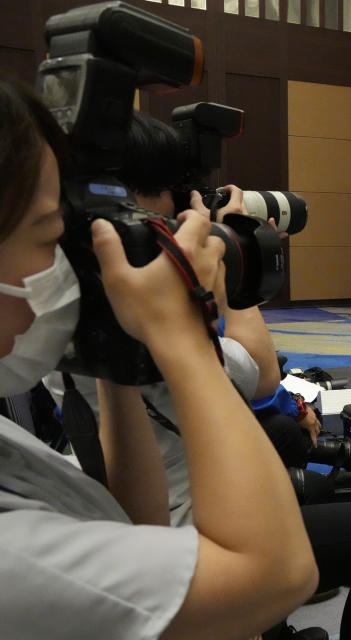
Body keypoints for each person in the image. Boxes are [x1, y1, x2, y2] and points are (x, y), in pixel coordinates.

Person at [41, 110, 351, 639]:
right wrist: (229, 240)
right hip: (197, 538)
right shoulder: (146, 329)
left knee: (287, 437)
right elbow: (263, 374)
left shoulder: (67, 322)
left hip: (140, 512)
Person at [0, 76, 318, 639]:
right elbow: (279, 574)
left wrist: (114, 352)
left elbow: (132, 521)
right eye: (52, 235)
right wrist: (181, 335)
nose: (69, 268)